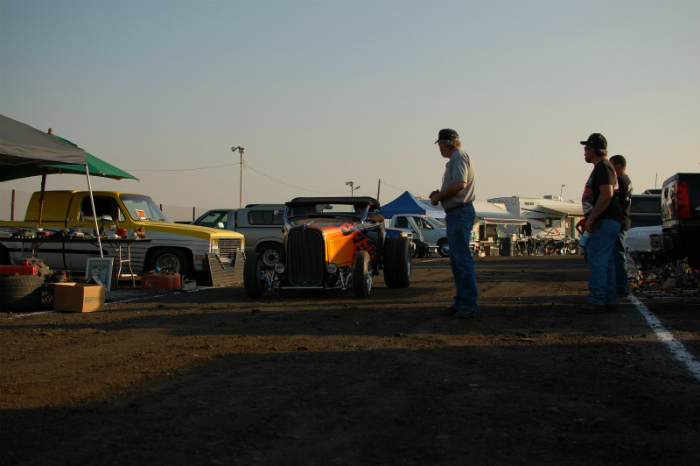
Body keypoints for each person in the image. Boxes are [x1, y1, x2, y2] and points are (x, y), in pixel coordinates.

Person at [429, 129, 478, 319]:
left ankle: (468, 304)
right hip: (457, 212)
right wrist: (440, 195)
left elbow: (459, 184)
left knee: (462, 260)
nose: (440, 148)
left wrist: (439, 197)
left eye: (440, 144)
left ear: (446, 143)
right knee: (457, 260)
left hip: (460, 212)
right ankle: (461, 302)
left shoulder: (458, 158)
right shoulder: (457, 158)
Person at [580, 133, 622, 313]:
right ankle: (608, 299)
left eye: (587, 149)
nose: (585, 152)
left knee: (598, 260)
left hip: (604, 222)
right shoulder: (603, 167)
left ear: (595, 150)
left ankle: (598, 299)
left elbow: (606, 194)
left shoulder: (604, 167)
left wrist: (592, 218)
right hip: (608, 221)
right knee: (608, 262)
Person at [609, 155, 632, 296]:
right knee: (618, 254)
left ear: (617, 165)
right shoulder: (627, 180)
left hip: (620, 221)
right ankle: (621, 286)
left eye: (612, 166)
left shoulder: (620, 181)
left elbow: (619, 203)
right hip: (624, 221)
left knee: (618, 255)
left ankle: (622, 287)